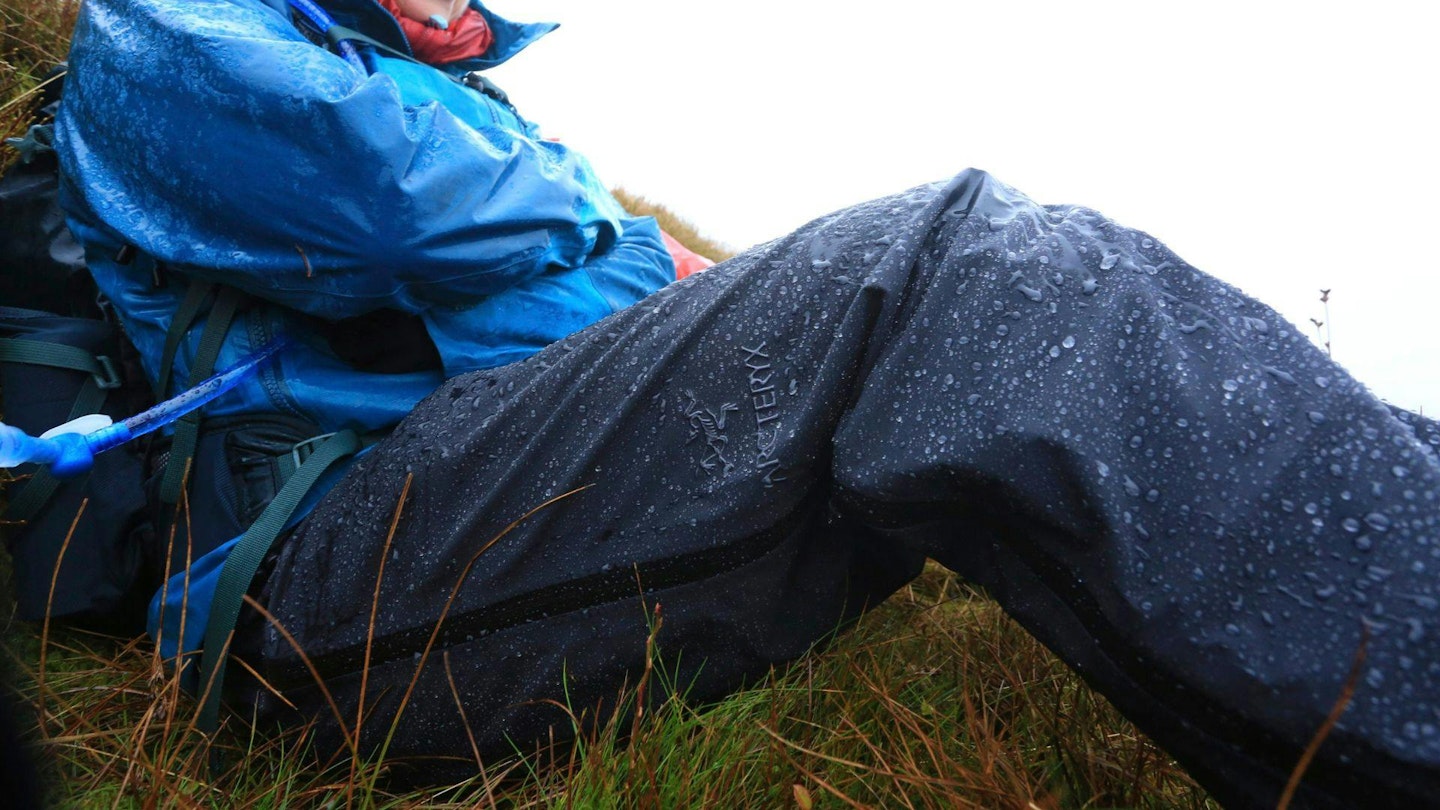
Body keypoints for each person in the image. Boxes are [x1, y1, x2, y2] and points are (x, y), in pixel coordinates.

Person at [33, 0, 1440, 807]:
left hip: (478, 513)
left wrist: (606, 252)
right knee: (959, 271)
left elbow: (532, 278)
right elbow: (393, 199)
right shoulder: (169, 28)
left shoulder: (487, 119)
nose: (458, 13)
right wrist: (629, 246)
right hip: (313, 585)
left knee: (953, 319)